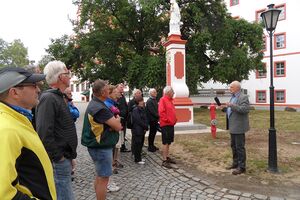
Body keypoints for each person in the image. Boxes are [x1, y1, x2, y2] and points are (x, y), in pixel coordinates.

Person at [0, 67, 56, 199]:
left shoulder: (16, 119)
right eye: (33, 85)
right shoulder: (7, 129)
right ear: (14, 92)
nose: (38, 90)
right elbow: (3, 193)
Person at [36, 60, 78, 199]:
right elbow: (44, 133)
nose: (70, 76)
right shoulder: (49, 98)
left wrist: (69, 155)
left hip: (64, 157)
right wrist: (59, 157)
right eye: (68, 73)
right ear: (61, 77)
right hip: (58, 160)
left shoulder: (58, 97)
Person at [81, 79, 122, 200]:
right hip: (101, 147)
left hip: (97, 146)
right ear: (103, 92)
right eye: (107, 88)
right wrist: (117, 121)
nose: (109, 90)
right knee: (104, 178)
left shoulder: (95, 103)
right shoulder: (100, 107)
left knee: (100, 177)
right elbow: (118, 126)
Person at [223, 81, 250, 175]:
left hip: (239, 126)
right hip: (233, 126)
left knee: (239, 147)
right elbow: (232, 109)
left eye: (231, 87)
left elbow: (245, 109)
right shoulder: (233, 97)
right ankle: (235, 163)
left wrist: (231, 105)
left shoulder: (243, 97)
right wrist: (225, 109)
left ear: (237, 88)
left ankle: (242, 167)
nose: (229, 89)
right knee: (233, 146)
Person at [158, 86, 177, 169]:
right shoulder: (163, 100)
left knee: (169, 142)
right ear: (168, 92)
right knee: (165, 142)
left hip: (171, 124)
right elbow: (161, 112)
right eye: (172, 92)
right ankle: (164, 160)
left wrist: (174, 119)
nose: (173, 93)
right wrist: (168, 120)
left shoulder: (170, 100)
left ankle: (167, 157)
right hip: (166, 124)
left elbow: (172, 111)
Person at [132, 96, 148, 164]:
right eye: (142, 101)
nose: (143, 102)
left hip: (141, 129)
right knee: (137, 145)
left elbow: (144, 118)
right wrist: (145, 126)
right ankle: (137, 159)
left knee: (140, 144)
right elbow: (138, 120)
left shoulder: (141, 108)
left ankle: (139, 158)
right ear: (138, 102)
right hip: (137, 130)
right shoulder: (135, 110)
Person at [116, 83, 130, 152]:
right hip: (120, 118)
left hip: (124, 118)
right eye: (121, 87)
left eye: (122, 87)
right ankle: (121, 146)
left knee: (123, 133)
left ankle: (122, 145)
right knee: (120, 133)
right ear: (117, 88)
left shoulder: (122, 95)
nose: (122, 88)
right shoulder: (117, 96)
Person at [146, 88, 159, 152]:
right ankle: (150, 146)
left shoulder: (154, 100)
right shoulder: (149, 101)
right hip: (152, 120)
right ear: (150, 93)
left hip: (155, 120)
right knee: (151, 133)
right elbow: (152, 112)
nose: (156, 93)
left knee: (154, 133)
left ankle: (152, 145)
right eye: (154, 92)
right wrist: (159, 116)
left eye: (156, 92)